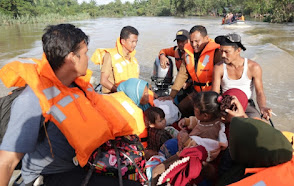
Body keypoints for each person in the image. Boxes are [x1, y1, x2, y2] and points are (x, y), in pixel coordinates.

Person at [0, 24, 140, 186]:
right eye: (85, 53)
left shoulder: (76, 87)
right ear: (72, 57)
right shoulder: (32, 99)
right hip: (49, 175)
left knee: (134, 171)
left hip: (78, 163)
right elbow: (7, 162)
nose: (89, 59)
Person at [162, 25, 221, 117]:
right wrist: (171, 95)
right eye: (192, 41)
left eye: (197, 41)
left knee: (206, 114)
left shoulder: (217, 53)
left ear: (206, 38)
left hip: (211, 92)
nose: (194, 45)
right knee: (182, 107)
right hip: (196, 91)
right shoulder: (188, 52)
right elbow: (182, 74)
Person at [212, 33, 272, 119]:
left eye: (226, 52)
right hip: (226, 106)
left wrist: (262, 107)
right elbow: (215, 93)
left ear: (238, 50)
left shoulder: (254, 67)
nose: (223, 55)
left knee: (256, 124)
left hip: (247, 106)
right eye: (221, 51)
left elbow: (260, 92)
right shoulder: (218, 68)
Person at [92, 26, 140, 93]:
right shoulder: (110, 56)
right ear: (123, 41)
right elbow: (103, 81)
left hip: (129, 94)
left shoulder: (133, 59)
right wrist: (121, 91)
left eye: (136, 41)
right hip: (112, 95)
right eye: (132, 41)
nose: (135, 44)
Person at [158, 29, 192, 102]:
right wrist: (162, 56)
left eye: (183, 41)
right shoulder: (176, 50)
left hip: (192, 83)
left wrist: (189, 82)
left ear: (189, 40)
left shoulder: (193, 52)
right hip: (180, 81)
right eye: (178, 41)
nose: (180, 44)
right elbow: (163, 51)